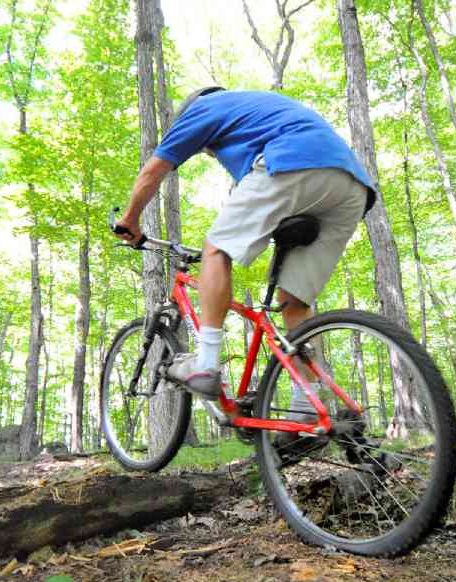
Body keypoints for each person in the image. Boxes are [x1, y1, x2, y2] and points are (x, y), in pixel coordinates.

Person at [114, 87, 376, 403]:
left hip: (293, 161)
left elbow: (153, 170)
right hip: (352, 188)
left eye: (205, 150)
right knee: (294, 301)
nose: (208, 153)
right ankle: (308, 403)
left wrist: (130, 219)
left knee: (216, 248)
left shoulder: (203, 108)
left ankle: (206, 365)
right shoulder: (257, 113)